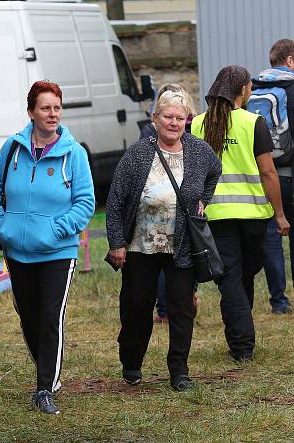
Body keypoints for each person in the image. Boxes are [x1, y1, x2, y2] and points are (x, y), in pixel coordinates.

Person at [0, 80, 95, 415]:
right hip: (17, 250)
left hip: (58, 252)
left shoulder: (74, 153)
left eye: (57, 108)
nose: (52, 114)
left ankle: (45, 387)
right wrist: (2, 224)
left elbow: (86, 202)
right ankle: (48, 367)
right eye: (45, 108)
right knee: (29, 318)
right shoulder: (13, 148)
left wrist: (56, 230)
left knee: (49, 317)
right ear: (31, 111)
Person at [107, 90, 221, 391]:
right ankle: (131, 361)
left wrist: (203, 202)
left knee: (181, 307)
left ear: (188, 121)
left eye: (179, 118)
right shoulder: (137, 153)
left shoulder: (199, 151)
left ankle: (179, 370)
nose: (173, 123)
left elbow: (215, 172)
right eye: (168, 117)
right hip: (139, 245)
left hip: (181, 245)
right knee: (136, 305)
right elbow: (116, 201)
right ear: (155, 119)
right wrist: (117, 242)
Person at [191, 65, 290, 362]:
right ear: (243, 90)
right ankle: (242, 346)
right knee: (238, 276)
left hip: (216, 215)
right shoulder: (252, 122)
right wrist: (280, 214)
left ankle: (240, 336)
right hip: (253, 216)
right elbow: (268, 172)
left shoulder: (197, 124)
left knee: (237, 276)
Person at [138, 83, 199, 323]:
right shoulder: (194, 127)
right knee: (178, 256)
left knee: (169, 255)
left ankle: (167, 310)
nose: (173, 122)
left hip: (167, 202)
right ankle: (178, 303)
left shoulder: (150, 131)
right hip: (172, 203)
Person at [255, 39, 294, 314]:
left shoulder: (253, 88)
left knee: (271, 238)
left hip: (264, 174)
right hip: (291, 173)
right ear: (290, 60)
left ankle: (278, 301)